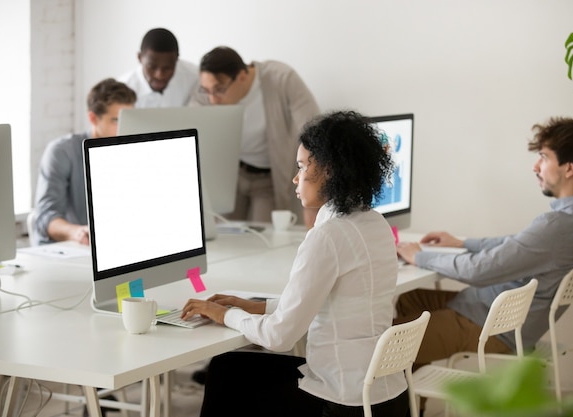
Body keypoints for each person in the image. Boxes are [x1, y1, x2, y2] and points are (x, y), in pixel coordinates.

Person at [181, 111, 408, 417]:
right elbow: (327, 303)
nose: (295, 178)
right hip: (384, 397)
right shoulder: (375, 223)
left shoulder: (328, 236)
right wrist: (253, 306)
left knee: (227, 371)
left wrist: (226, 315)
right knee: (231, 368)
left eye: (302, 167)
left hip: (341, 402)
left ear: (328, 171)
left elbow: (279, 337)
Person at [394, 117, 573, 415]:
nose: (536, 166)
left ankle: (403, 398)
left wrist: (420, 257)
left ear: (570, 168)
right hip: (499, 318)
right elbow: (517, 244)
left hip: (488, 327)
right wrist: (462, 243)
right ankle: (410, 404)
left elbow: (479, 271)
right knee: (409, 299)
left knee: (387, 342)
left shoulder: (556, 225)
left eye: (544, 157)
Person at [189, 46, 320, 228]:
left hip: (268, 178)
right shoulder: (209, 93)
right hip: (231, 175)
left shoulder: (281, 78)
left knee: (264, 236)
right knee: (223, 234)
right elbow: (191, 124)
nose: (212, 100)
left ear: (242, 76)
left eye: (219, 90)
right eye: (207, 91)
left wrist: (313, 189)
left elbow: (313, 132)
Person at [32, 78, 136, 246]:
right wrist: (77, 232)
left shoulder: (132, 151)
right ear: (93, 118)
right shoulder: (62, 151)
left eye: (128, 118)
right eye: (115, 120)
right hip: (74, 249)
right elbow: (45, 216)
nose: (124, 128)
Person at [119, 28, 198, 108]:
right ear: (140, 58)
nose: (159, 75)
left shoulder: (195, 77)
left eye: (167, 68)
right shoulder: (123, 88)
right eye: (152, 67)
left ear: (177, 60)